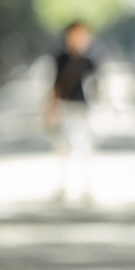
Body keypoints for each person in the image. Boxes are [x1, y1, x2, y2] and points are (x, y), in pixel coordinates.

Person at [48, 21, 96, 200]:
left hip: (82, 107)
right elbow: (56, 84)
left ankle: (86, 185)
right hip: (65, 106)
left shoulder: (88, 61)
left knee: (84, 147)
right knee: (63, 147)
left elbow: (93, 86)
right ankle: (62, 185)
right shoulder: (60, 59)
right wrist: (52, 105)